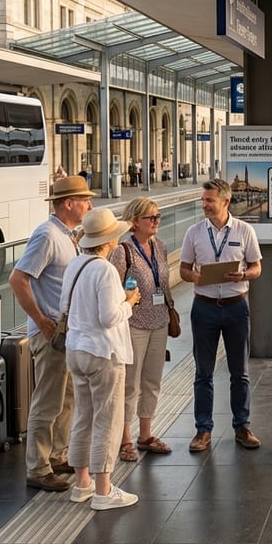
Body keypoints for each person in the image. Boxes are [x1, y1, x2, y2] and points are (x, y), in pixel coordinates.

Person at [11, 176, 93, 492]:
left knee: (66, 397)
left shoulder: (68, 236)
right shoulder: (46, 235)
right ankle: (38, 467)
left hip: (66, 333)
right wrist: (41, 320)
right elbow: (18, 279)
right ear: (68, 203)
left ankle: (57, 455)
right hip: (51, 334)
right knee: (47, 401)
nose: (90, 205)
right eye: (85, 200)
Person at [62, 208, 140, 510]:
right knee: (107, 420)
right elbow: (108, 317)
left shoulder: (75, 264)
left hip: (76, 349)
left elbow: (64, 306)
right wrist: (129, 302)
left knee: (83, 417)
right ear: (108, 240)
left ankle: (82, 484)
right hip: (102, 352)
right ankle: (104, 491)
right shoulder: (105, 270)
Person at [179, 179, 263, 452]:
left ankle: (242, 426)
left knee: (240, 372)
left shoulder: (244, 230)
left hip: (236, 306)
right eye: (203, 200)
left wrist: (244, 274)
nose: (204, 205)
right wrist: (194, 276)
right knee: (203, 372)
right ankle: (203, 430)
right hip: (204, 307)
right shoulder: (193, 232)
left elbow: (257, 267)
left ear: (225, 201)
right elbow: (183, 270)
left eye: (209, 200)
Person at [111, 198, 173, 462]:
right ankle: (125, 439)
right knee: (130, 383)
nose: (156, 221)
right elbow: (113, 289)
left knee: (152, 380)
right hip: (134, 324)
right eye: (151, 217)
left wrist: (170, 311)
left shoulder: (160, 246)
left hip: (159, 322)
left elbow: (164, 284)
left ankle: (145, 435)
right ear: (135, 221)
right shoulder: (122, 251)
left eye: (158, 216)